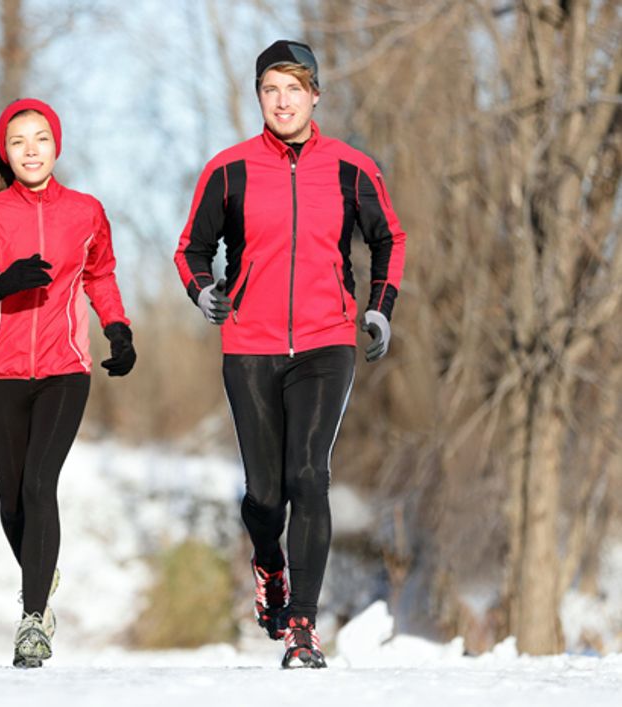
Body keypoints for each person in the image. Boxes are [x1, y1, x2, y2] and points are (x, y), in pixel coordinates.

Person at [173, 40, 406, 669]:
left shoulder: (351, 168)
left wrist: (379, 307)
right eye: (271, 90)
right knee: (266, 494)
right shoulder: (230, 170)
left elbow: (388, 238)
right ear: (259, 98)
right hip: (249, 344)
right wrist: (204, 295)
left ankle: (302, 625)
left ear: (315, 95)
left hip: (327, 340)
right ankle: (268, 565)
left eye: (294, 89)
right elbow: (190, 250)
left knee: (310, 476)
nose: (283, 101)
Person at [0, 98, 136, 668]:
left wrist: (117, 329)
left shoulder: (86, 211)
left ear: (57, 145)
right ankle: (41, 574)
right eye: (19, 140)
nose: (30, 149)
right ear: (6, 151)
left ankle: (32, 620)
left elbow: (101, 274)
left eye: (41, 138)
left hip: (65, 370)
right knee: (11, 502)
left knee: (39, 484)